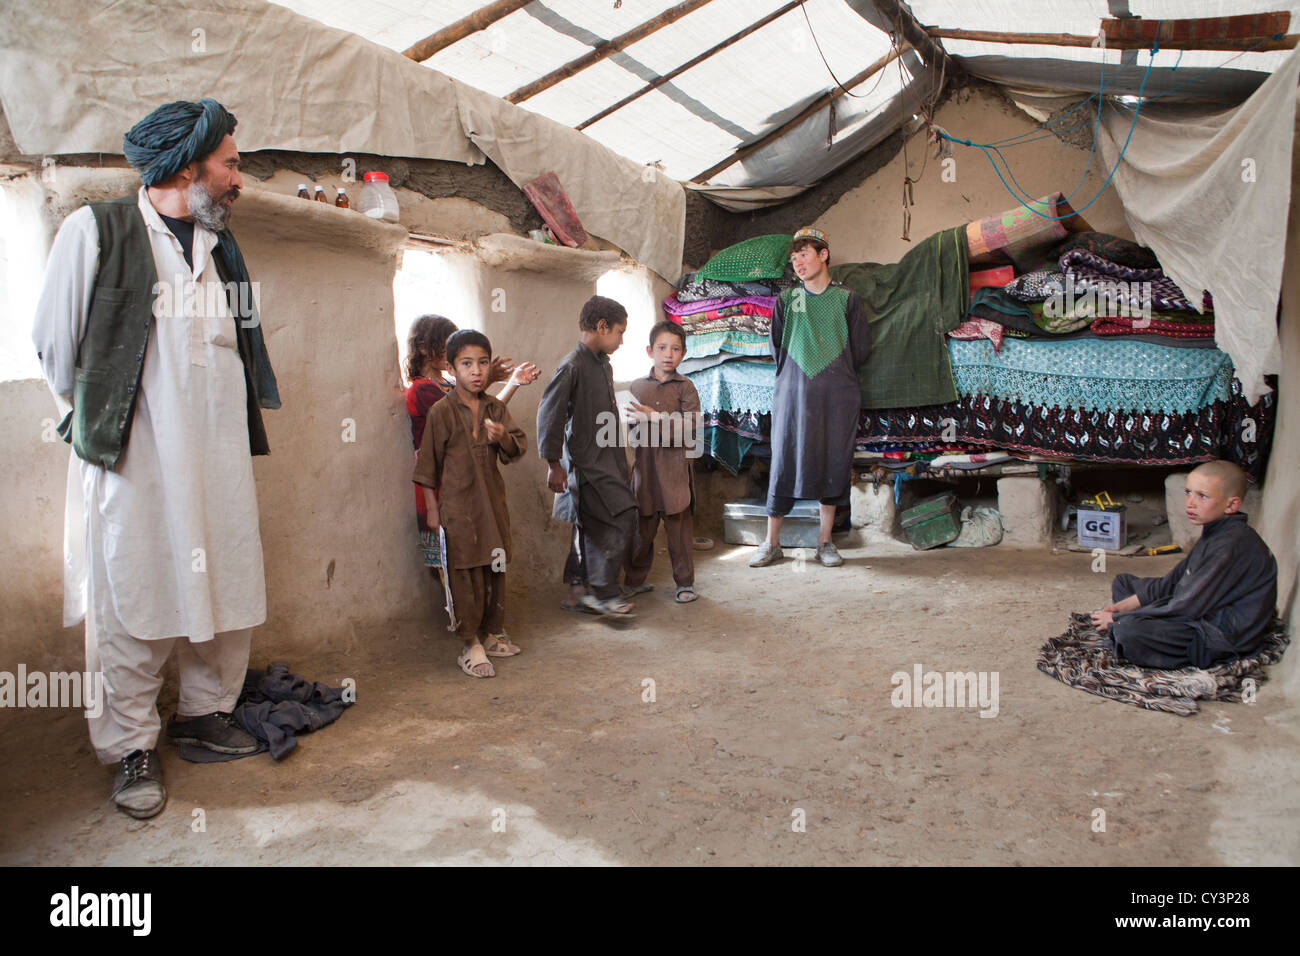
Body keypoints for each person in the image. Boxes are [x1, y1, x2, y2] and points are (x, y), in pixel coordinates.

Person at [31, 98, 279, 819]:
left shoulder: (219, 246)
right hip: (136, 458)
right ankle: (132, 745)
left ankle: (206, 715)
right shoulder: (97, 231)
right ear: (187, 165)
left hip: (216, 453)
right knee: (132, 595)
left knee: (226, 578)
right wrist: (104, 419)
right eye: (231, 163)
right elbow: (55, 341)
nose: (239, 179)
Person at [750, 227, 871, 569]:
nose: (798, 262)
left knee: (833, 460)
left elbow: (861, 349)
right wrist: (799, 377)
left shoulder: (847, 298)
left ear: (824, 254)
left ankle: (825, 541)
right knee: (784, 459)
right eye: (794, 257)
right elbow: (777, 347)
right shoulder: (788, 301)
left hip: (838, 395)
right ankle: (771, 543)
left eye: (804, 253)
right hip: (793, 394)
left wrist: (831, 374)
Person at [412, 330, 528, 678]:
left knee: (494, 565)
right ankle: (470, 643)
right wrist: (433, 509)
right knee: (463, 571)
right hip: (457, 507)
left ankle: (492, 634)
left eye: (481, 363)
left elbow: (516, 448)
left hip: (491, 502)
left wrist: (502, 436)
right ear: (451, 368)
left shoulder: (495, 407)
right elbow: (427, 466)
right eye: (466, 364)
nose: (476, 371)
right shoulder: (441, 411)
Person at [1091, 460, 1278, 668]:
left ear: (1232, 505)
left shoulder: (1230, 545)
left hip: (1218, 634)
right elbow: (1172, 582)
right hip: (1199, 607)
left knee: (1129, 631)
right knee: (1123, 582)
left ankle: (1134, 631)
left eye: (1202, 496)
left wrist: (1118, 621)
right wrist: (1120, 608)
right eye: (1188, 492)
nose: (1190, 503)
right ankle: (1134, 622)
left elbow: (1186, 607)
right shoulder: (1215, 531)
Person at [403, 314, 536, 573]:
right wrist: (488, 377)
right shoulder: (421, 390)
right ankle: (460, 613)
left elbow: (485, 412)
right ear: (422, 347)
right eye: (445, 343)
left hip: (468, 476)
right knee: (453, 561)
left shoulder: (449, 384)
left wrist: (511, 383)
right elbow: (457, 416)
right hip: (442, 478)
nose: (452, 350)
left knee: (477, 550)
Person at [537, 295, 638, 619]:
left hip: (605, 462)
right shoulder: (572, 366)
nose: (622, 341)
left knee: (587, 527)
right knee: (620, 517)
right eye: (619, 332)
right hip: (585, 466)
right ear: (601, 326)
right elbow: (548, 415)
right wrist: (554, 464)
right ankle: (605, 594)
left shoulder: (602, 365)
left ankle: (577, 591)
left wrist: (622, 460)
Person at [622, 321, 701, 604]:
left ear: (683, 353)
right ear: (649, 351)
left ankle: (684, 583)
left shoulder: (686, 388)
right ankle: (633, 581)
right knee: (641, 529)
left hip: (675, 469)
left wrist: (654, 419)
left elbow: (691, 428)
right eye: (662, 348)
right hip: (645, 468)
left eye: (676, 349)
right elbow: (633, 430)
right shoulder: (637, 387)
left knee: (678, 529)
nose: (668, 354)